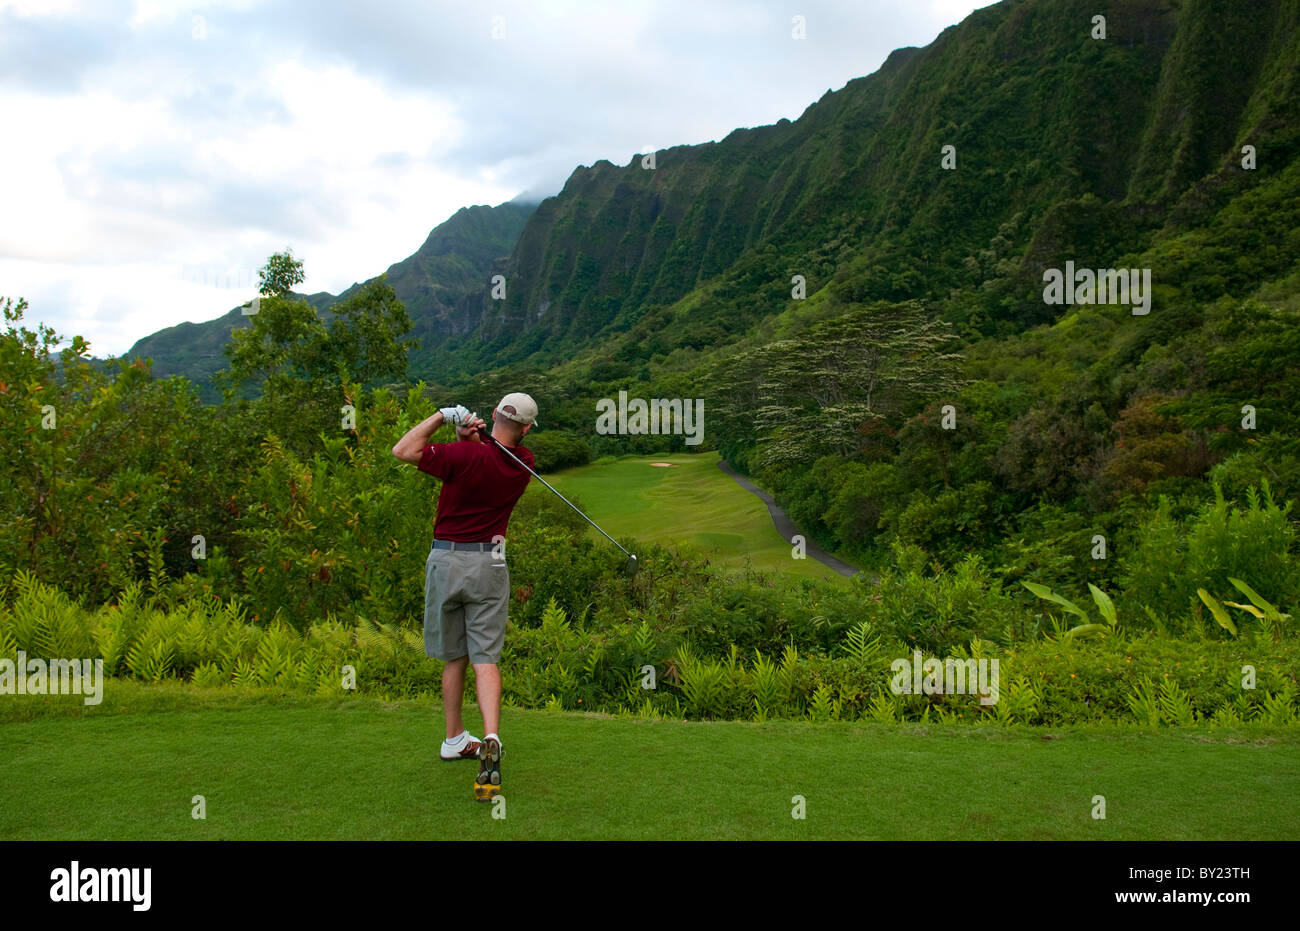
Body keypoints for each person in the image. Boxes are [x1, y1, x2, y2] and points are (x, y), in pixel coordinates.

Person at [391, 392, 538, 801]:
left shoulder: (460, 456)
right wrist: (470, 441)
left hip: (446, 560)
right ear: (526, 430)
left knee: (453, 656)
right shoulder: (524, 464)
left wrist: (442, 417)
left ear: (492, 415)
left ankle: (454, 736)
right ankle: (489, 736)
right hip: (489, 564)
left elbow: (402, 450)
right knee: (485, 658)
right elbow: (490, 461)